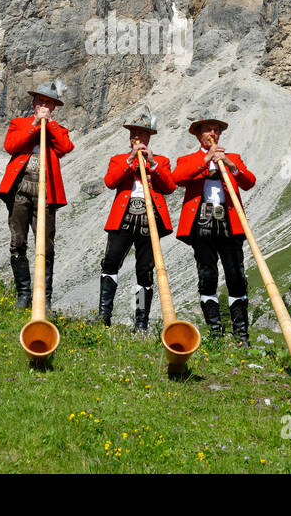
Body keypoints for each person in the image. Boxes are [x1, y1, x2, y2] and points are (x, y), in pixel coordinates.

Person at [172, 114, 257, 345]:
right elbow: (177, 178)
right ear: (199, 135)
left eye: (216, 131)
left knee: (236, 276)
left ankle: (241, 335)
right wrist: (206, 159)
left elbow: (249, 182)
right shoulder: (187, 159)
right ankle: (215, 333)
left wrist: (230, 165)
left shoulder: (233, 158)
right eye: (208, 130)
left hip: (229, 222)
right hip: (201, 223)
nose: (213, 134)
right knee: (207, 276)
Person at [98, 107, 176, 331]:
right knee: (111, 263)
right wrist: (131, 159)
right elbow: (110, 181)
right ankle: (105, 314)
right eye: (133, 134)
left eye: (141, 134)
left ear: (149, 137)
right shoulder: (119, 159)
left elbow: (169, 187)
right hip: (124, 218)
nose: (136, 138)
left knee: (144, 272)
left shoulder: (161, 161)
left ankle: (140, 321)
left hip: (149, 219)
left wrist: (152, 164)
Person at [0, 80, 73, 309]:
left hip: (45, 193)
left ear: (54, 108)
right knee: (18, 241)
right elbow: (11, 146)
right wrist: (34, 125)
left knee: (46, 244)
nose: (43, 106)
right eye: (40, 101)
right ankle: (23, 294)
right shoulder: (18, 124)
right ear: (33, 103)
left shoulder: (57, 128)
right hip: (21, 188)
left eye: (48, 103)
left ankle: (44, 298)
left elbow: (65, 147)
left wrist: (48, 125)